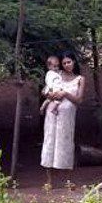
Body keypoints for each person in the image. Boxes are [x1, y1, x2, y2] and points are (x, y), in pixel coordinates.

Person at [39, 52, 84, 188]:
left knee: (66, 144)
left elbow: (79, 100)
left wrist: (65, 93)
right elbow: (44, 91)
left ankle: (68, 180)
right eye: (64, 63)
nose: (66, 65)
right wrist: (50, 94)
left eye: (69, 62)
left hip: (67, 116)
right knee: (49, 143)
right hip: (52, 115)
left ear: (74, 62)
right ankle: (49, 181)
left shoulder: (80, 79)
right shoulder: (56, 75)